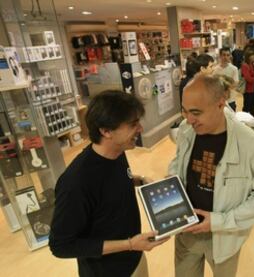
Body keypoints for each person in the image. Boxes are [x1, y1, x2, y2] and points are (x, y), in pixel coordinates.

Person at [49, 90, 168, 277]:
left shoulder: (117, 152)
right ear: (106, 131)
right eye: (133, 124)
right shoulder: (76, 183)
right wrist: (129, 244)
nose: (140, 129)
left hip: (134, 257)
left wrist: (137, 180)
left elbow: (108, 186)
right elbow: (60, 246)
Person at [169, 73, 254, 277]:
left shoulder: (250, 145)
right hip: (186, 232)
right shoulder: (186, 129)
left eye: (196, 112)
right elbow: (178, 163)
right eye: (184, 111)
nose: (189, 119)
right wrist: (171, 187)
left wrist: (219, 221)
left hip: (223, 238)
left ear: (220, 104)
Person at [213, 47, 239, 111]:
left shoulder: (234, 69)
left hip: (231, 100)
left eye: (228, 55)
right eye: (224, 55)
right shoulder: (214, 69)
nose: (226, 57)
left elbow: (235, 83)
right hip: (218, 100)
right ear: (220, 56)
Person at [241, 51, 254, 120]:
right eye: (252, 55)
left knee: (252, 106)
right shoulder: (245, 65)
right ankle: (244, 121)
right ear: (248, 57)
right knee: (247, 107)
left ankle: (252, 121)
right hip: (248, 89)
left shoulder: (253, 65)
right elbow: (248, 79)